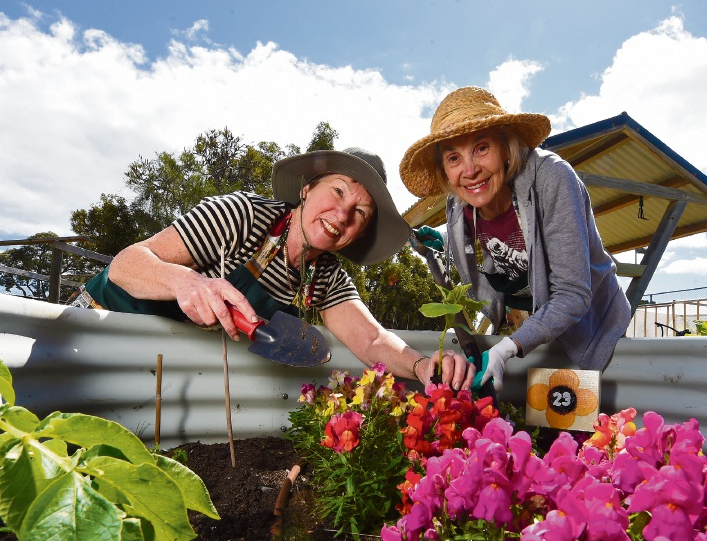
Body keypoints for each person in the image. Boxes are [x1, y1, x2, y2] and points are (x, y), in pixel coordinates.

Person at [72, 147, 475, 390]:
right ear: (306, 189)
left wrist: (423, 366)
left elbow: (371, 340)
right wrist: (187, 282)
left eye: (360, 213)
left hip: (153, 371)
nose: (342, 214)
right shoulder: (241, 216)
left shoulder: (325, 277)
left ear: (359, 234)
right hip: (89, 334)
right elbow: (126, 264)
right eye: (337, 191)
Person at [400, 87, 632, 392]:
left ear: (506, 147)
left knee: (570, 412)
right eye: (454, 157)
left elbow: (573, 293)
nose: (469, 170)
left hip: (585, 327)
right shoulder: (459, 204)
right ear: (444, 168)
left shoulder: (552, 178)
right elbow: (494, 244)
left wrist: (507, 348)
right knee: (519, 414)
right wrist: (445, 242)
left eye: (481, 148)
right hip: (521, 325)